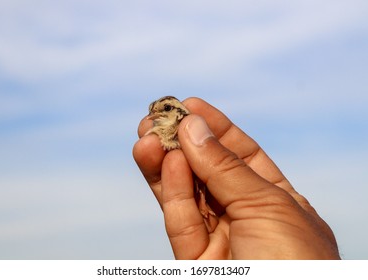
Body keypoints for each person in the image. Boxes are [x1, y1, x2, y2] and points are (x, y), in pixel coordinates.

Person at [133, 97, 340, 259]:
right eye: (154, 110)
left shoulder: (186, 126)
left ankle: (203, 201)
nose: (156, 114)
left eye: (166, 109)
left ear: (178, 113)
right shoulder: (160, 133)